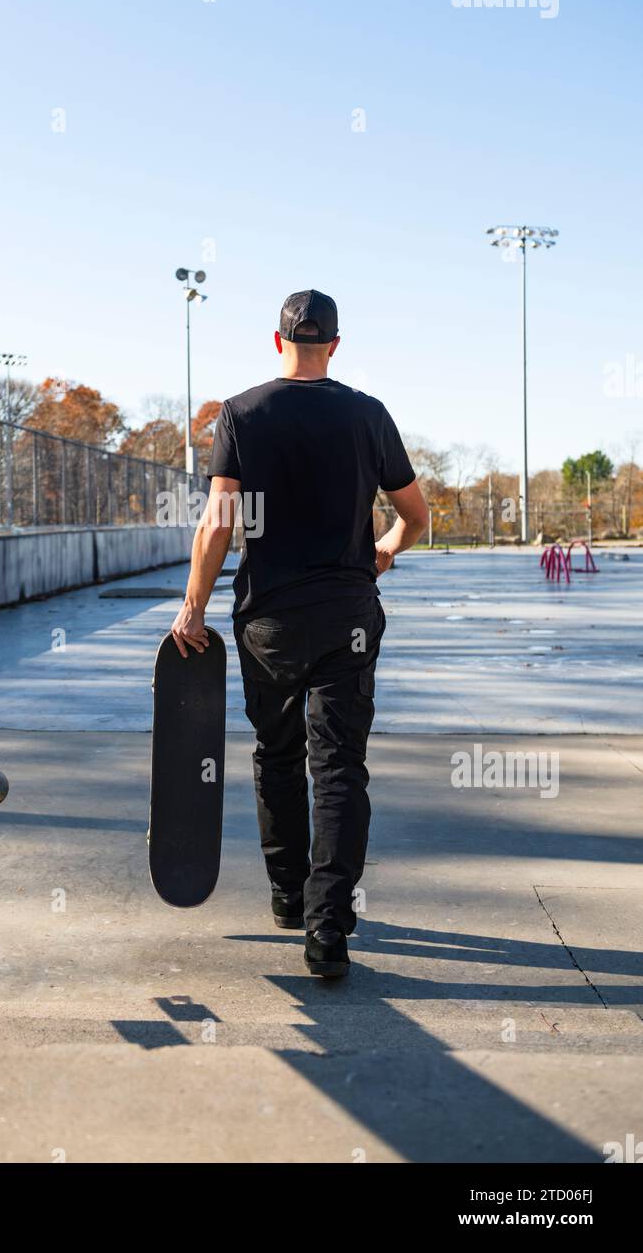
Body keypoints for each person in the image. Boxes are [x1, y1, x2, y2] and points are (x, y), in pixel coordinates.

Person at [171, 289, 428, 977]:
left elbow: (218, 522)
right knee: (339, 765)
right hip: (346, 616)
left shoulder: (242, 413)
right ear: (336, 345)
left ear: (275, 340)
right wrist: (384, 550)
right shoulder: (368, 415)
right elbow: (415, 514)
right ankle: (327, 926)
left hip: (269, 622)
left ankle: (288, 896)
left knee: (277, 755)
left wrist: (192, 606)